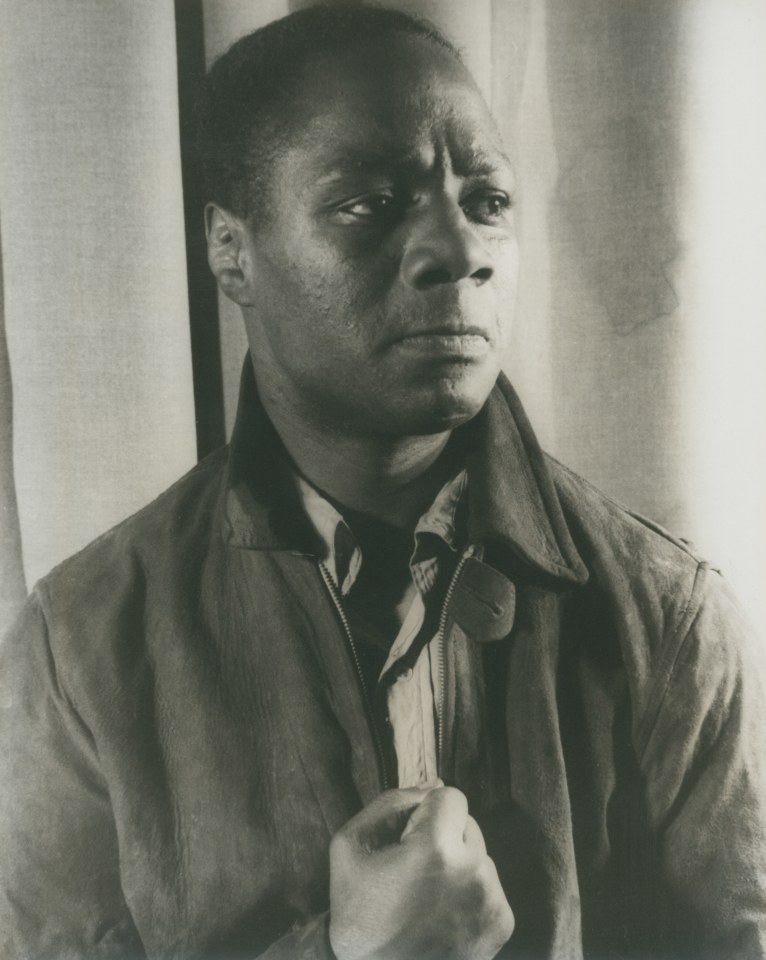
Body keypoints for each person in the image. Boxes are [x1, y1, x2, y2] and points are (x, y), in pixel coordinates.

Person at [1, 5, 765, 959]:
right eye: (370, 201)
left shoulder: (670, 623)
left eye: (487, 200)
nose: (460, 248)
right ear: (231, 250)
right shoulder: (78, 652)